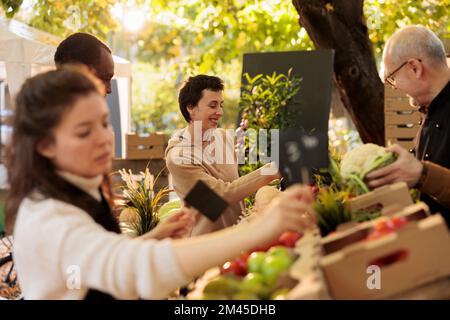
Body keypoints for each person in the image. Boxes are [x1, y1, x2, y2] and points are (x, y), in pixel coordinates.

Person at [7, 67, 316, 299]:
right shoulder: (50, 218)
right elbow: (136, 268)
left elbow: (98, 259)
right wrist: (261, 225)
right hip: (202, 254)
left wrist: (155, 236)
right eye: (84, 132)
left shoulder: (221, 139)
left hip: (224, 243)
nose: (104, 139)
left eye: (104, 123)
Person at [165, 75, 281, 236]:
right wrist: (272, 170)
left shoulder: (223, 137)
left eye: (221, 105)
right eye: (213, 106)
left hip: (238, 236)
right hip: (206, 246)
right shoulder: (179, 158)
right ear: (190, 107)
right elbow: (220, 196)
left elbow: (236, 186)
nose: (220, 112)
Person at [367, 25, 450, 225]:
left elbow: (425, 176)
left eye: (391, 77)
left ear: (415, 67)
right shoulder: (429, 109)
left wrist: (422, 175)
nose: (393, 86)